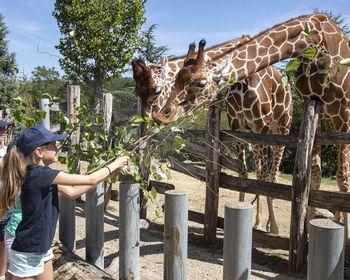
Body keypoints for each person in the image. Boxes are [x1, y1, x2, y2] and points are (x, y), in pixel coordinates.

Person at [0, 124, 129, 280]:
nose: (57, 148)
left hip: (42, 246)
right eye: (53, 146)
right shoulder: (42, 175)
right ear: (39, 152)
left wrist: (109, 173)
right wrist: (115, 164)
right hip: (28, 250)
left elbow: (72, 192)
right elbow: (90, 179)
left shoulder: (39, 176)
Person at [0, 120, 14, 280]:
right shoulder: (9, 156)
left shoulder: (7, 151)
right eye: (0, 129)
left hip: (7, 206)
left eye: (4, 128)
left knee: (3, 243)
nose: (3, 131)